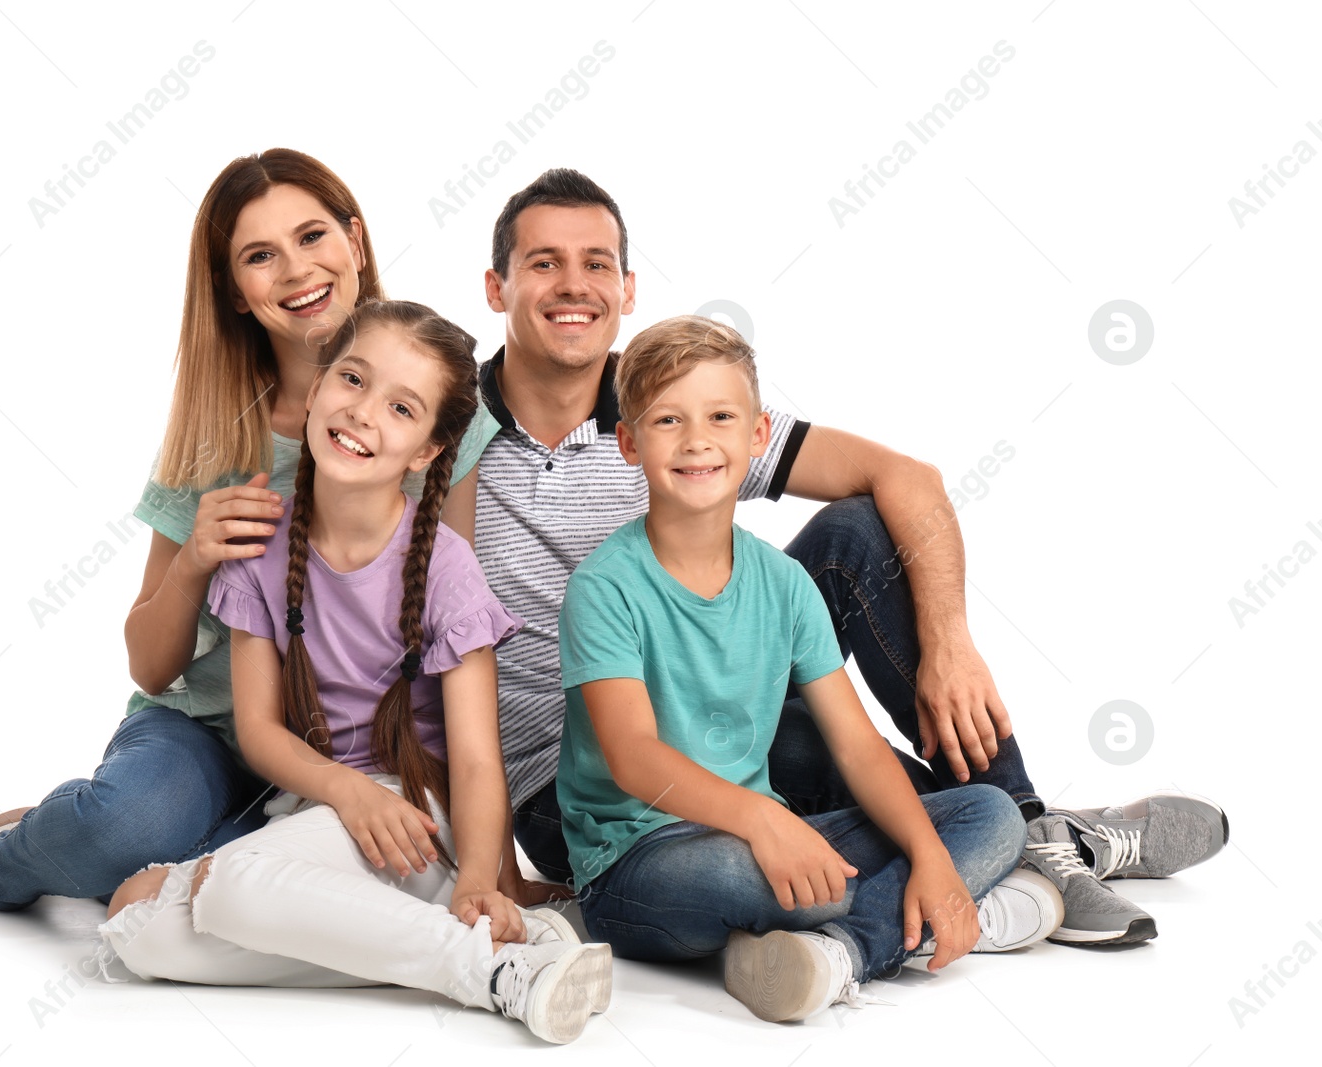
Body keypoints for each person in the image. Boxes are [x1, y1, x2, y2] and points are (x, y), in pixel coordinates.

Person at [470, 168, 1227, 944]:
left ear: (628, 288)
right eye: (543, 262)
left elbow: (907, 479)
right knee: (790, 801)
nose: (573, 284)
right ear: (496, 287)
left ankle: (1020, 833)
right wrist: (485, 861)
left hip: (725, 728)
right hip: (582, 788)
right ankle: (988, 872)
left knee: (858, 536)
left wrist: (949, 643)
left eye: (595, 262)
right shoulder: (448, 436)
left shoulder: (682, 407)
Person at [0, 150, 487, 910]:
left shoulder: (435, 412)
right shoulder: (217, 439)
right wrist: (195, 560)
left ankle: (67, 831)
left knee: (248, 880)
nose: (297, 271)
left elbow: (450, 617)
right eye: (260, 256)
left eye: (312, 237)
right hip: (208, 731)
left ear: (356, 244)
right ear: (235, 292)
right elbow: (149, 663)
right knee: (132, 826)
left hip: (360, 747)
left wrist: (484, 858)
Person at [98, 300, 613, 1045]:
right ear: (316, 389)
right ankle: (482, 951)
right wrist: (344, 792)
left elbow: (473, 758)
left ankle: (496, 971)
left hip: (417, 826)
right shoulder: (262, 544)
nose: (363, 413)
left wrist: (476, 878)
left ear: (429, 449)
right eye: (352, 379)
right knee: (136, 924)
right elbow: (259, 730)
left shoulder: (445, 566)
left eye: (400, 407)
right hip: (319, 812)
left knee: (228, 888)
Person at [558, 315, 1050, 1022]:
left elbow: (855, 746)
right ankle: (938, 915)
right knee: (761, 872)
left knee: (990, 814)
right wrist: (760, 817)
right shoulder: (605, 587)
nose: (697, 440)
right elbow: (634, 757)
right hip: (639, 862)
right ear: (630, 443)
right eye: (668, 420)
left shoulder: (782, 586)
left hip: (773, 836)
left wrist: (928, 851)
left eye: (721, 417)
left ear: (756, 438)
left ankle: (838, 952)